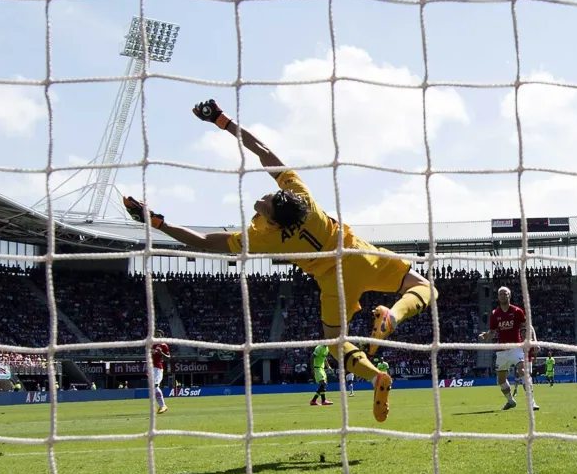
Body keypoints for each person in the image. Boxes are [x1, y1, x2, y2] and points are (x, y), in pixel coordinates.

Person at [123, 98, 438, 424]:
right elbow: (262, 150)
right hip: (357, 254)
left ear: (275, 221)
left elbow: (203, 241)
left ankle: (374, 376)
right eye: (273, 196)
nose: (266, 197)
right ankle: (392, 319)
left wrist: (158, 223)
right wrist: (221, 120)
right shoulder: (301, 198)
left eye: (270, 202)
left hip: (332, 282)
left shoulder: (262, 239)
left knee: (335, 345)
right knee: (423, 286)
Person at [478, 286, 538, 411]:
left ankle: (532, 402)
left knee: (523, 372)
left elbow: (527, 326)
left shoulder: (517, 311)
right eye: (500, 294)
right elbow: (492, 332)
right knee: (500, 380)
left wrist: (533, 340)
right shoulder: (495, 314)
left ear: (509, 296)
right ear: (498, 297)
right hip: (501, 350)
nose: (503, 296)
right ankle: (510, 401)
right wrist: (486, 335)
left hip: (516, 347)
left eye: (505, 294)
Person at [150, 331, 170, 414]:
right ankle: (161, 405)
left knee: (155, 385)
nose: (157, 336)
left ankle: (163, 406)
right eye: (156, 335)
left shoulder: (164, 345)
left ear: (162, 336)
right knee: (153, 388)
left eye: (159, 335)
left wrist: (161, 353)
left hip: (158, 368)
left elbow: (168, 358)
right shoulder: (153, 345)